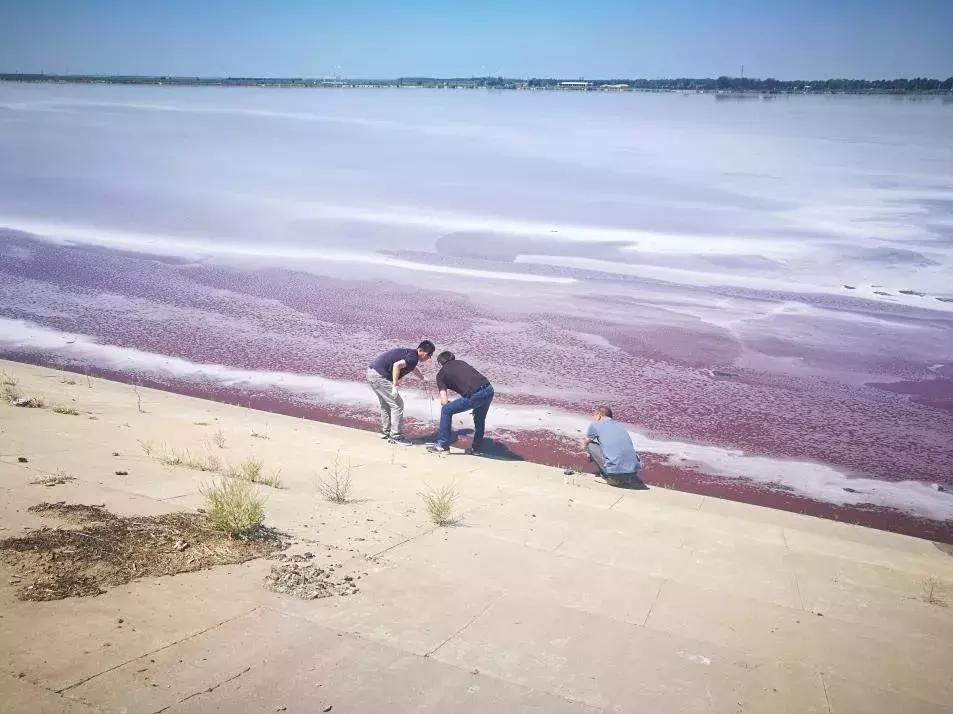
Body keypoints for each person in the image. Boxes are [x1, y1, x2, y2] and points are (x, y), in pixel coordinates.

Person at [367, 340, 435, 445]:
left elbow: (411, 367)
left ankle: (387, 431)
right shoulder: (413, 357)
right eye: (430, 356)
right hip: (379, 376)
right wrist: (395, 385)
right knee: (397, 405)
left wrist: (422, 377)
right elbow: (397, 365)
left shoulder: (411, 354)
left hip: (372, 373)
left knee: (386, 404)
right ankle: (396, 436)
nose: (428, 358)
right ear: (425, 353)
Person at [427, 351, 494, 454]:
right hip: (489, 389)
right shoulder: (461, 362)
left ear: (440, 363)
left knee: (446, 410)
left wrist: (449, 404)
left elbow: (444, 401)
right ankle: (476, 449)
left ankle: (442, 445)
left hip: (476, 395)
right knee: (479, 419)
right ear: (453, 358)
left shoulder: (440, 375)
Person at [583, 405, 642, 487]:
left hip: (615, 476)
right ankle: (625, 477)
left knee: (590, 445)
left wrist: (588, 454)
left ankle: (608, 477)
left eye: (594, 415)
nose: (593, 417)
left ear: (599, 415)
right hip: (632, 474)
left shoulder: (595, 425)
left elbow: (585, 443)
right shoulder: (620, 426)